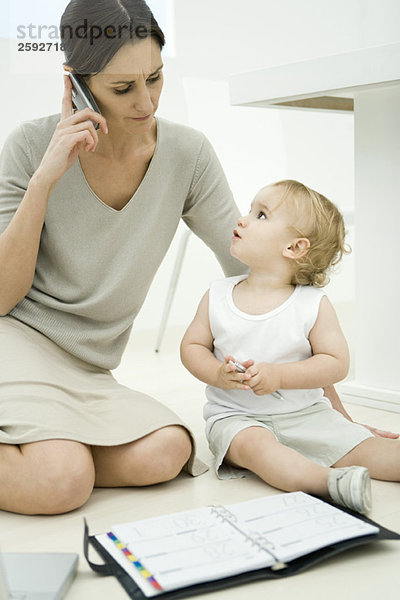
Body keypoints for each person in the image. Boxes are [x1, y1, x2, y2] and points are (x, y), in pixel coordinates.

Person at [181, 180, 400, 514]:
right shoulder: (217, 295)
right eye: (249, 210)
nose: (242, 220)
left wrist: (280, 376)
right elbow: (192, 346)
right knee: (258, 449)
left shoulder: (312, 305)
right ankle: (327, 483)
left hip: (308, 415)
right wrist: (216, 373)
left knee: (369, 449)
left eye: (261, 215)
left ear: (295, 248)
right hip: (237, 418)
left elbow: (335, 363)